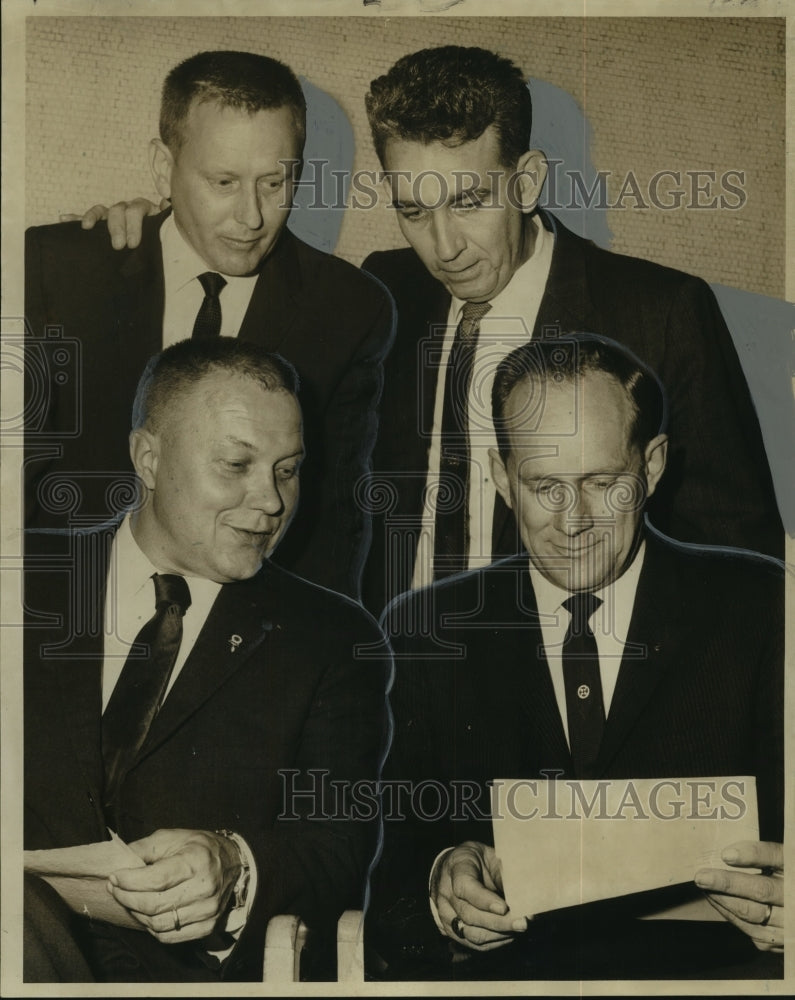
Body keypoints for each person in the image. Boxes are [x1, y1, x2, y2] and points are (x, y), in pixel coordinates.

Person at [368, 334, 784, 981]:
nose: (572, 521)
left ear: (650, 467)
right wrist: (438, 886)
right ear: (502, 479)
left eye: (600, 482)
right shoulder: (423, 633)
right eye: (544, 486)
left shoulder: (764, 611)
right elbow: (374, 867)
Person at [358, 45, 783, 611]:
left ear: (528, 181)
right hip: (398, 667)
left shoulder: (662, 313)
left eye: (470, 201)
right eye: (413, 212)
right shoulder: (386, 289)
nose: (444, 247)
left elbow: (736, 558)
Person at [23, 337, 392, 982]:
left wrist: (234, 862)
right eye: (236, 465)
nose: (273, 501)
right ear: (148, 457)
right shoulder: (21, 576)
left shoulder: (332, 638)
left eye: (287, 468)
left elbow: (340, 847)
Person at [24, 49, 395, 600]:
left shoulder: (348, 309)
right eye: (223, 182)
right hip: (64, 610)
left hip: (241, 638)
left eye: (275, 184)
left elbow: (334, 527)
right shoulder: (54, 269)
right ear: (161, 169)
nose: (251, 218)